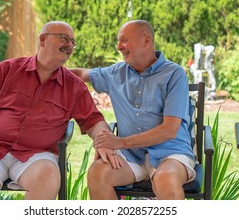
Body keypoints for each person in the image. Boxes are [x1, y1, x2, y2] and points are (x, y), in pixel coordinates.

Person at [0, 21, 121, 200]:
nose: (69, 45)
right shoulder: (7, 70)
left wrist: (105, 141)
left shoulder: (74, 86)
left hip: (37, 157)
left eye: (72, 42)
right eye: (64, 38)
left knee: (48, 178)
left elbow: (94, 121)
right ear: (42, 40)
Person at [70, 20, 196, 200]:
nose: (119, 47)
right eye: (118, 41)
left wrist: (119, 143)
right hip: (131, 156)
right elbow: (81, 75)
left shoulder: (174, 74)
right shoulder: (115, 73)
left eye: (124, 40)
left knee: (165, 178)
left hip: (170, 153)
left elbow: (169, 130)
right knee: (98, 174)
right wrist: (47, 69)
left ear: (146, 40)